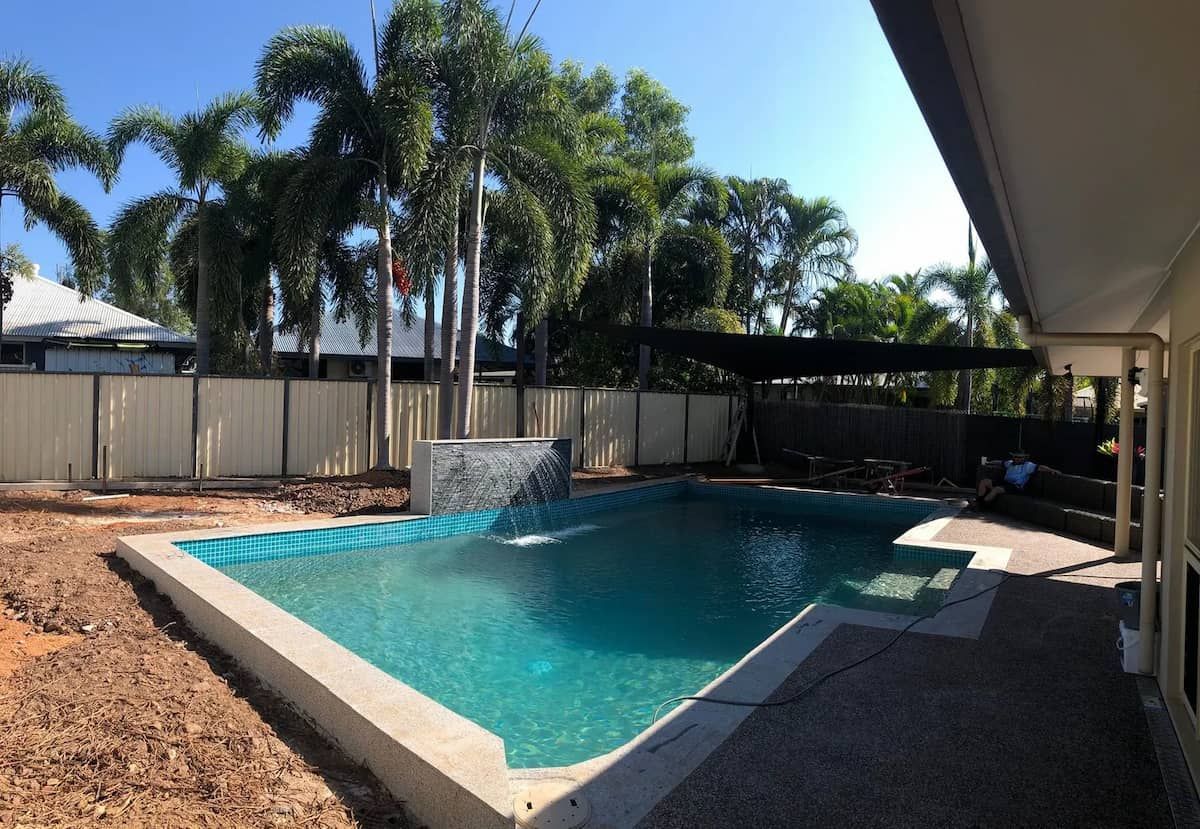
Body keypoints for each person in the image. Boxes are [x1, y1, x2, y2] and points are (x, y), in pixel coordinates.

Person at [977, 451, 1058, 507]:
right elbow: (1000, 462)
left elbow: (1041, 467)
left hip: (1015, 487)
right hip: (1005, 483)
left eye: (1020, 457)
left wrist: (1051, 470)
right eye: (1016, 457)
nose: (1018, 458)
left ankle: (981, 505)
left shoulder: (1028, 465)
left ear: (1024, 458)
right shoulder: (1010, 463)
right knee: (985, 481)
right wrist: (989, 462)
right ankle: (979, 501)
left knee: (996, 489)